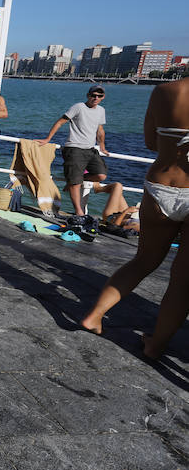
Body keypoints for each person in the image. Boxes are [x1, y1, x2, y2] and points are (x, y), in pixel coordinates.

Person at [82, 77, 189, 360]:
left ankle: (94, 316)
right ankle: (156, 344)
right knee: (182, 281)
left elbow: (150, 142)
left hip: (161, 186)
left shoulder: (165, 90)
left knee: (143, 261)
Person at [37, 85, 109, 216]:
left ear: (103, 97)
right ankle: (79, 212)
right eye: (93, 95)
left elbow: (100, 130)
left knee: (101, 175)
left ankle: (73, 181)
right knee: (75, 183)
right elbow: (60, 122)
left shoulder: (101, 110)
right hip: (74, 148)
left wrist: (102, 146)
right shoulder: (79, 107)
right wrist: (48, 139)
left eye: (99, 96)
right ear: (88, 95)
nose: (96, 98)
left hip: (90, 149)